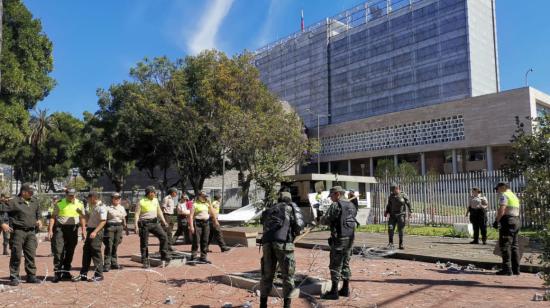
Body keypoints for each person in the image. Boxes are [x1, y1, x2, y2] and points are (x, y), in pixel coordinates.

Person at [259, 191, 305, 308]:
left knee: (267, 275)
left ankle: (263, 304)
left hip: (267, 244)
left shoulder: (270, 210)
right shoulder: (289, 208)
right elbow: (299, 227)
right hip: (283, 245)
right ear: (289, 199)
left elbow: (263, 224)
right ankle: (287, 305)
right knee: (288, 276)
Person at [320, 186, 358, 300]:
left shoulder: (336, 205)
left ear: (337, 194)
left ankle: (334, 292)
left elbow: (326, 220)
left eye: (331, 196)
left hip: (339, 239)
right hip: (350, 238)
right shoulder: (351, 205)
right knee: (345, 263)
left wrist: (320, 219)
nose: (331, 199)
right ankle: (345, 289)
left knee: (335, 264)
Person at [0, 183, 41, 285]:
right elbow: (1, 210)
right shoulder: (13, 202)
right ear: (23, 192)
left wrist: (39, 220)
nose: (32, 193)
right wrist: (2, 224)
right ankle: (14, 276)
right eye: (30, 191)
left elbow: (38, 213)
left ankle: (31, 276)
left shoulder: (34, 201)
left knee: (31, 254)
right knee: (16, 254)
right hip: (18, 231)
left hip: (31, 232)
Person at [49, 188, 86, 282]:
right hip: (60, 229)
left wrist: (83, 230)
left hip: (73, 229)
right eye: (70, 195)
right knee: (59, 251)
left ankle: (66, 271)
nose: (71, 196)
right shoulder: (60, 203)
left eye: (73, 195)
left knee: (70, 250)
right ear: (66, 194)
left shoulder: (80, 203)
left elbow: (82, 218)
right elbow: (53, 217)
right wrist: (50, 230)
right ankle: (57, 273)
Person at [134, 186, 170, 268]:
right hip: (144, 224)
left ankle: (164, 257)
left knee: (164, 236)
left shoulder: (155, 200)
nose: (154, 194)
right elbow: (136, 214)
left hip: (154, 223)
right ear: (149, 193)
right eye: (153, 192)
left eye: (154, 192)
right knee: (144, 243)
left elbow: (159, 211)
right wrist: (136, 225)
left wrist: (164, 221)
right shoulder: (141, 201)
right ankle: (145, 261)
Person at [74, 191, 107, 282]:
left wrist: (95, 232)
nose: (87, 199)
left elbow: (103, 221)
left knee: (95, 252)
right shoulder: (92, 206)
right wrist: (81, 213)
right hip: (90, 230)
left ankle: (99, 275)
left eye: (88, 198)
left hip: (96, 232)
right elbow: (89, 219)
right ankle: (83, 274)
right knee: (86, 252)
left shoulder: (101, 207)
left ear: (93, 197)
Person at [493, 182, 521, 276]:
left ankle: (507, 270)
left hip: (508, 221)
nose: (497, 191)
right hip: (516, 221)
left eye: (497, 189)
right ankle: (516, 269)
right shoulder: (514, 195)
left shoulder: (504, 195)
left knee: (505, 245)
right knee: (514, 246)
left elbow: (502, 209)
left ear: (503, 187)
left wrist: (497, 221)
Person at [189, 191, 219, 264]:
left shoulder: (206, 204)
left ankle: (203, 257)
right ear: (199, 196)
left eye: (206, 196)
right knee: (196, 240)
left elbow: (212, 213)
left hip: (206, 223)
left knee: (205, 240)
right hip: (197, 223)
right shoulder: (195, 204)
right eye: (204, 196)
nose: (205, 197)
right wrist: (191, 226)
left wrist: (215, 221)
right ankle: (194, 257)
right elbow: (191, 216)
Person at [103, 192, 127, 271]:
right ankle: (106, 264)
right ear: (112, 199)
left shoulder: (122, 208)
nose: (117, 199)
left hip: (119, 227)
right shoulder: (107, 208)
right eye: (115, 198)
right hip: (110, 227)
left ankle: (114, 263)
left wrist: (125, 228)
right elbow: (103, 219)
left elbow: (123, 218)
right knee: (109, 245)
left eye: (118, 198)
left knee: (115, 245)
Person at [384, 184, 412, 250]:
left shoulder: (403, 195)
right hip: (392, 215)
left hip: (401, 215)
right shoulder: (391, 196)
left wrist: (411, 211)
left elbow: (408, 203)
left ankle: (401, 244)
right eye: (392, 191)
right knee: (390, 228)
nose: (392, 192)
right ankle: (391, 243)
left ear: (397, 189)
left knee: (400, 230)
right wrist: (386, 211)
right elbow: (389, 205)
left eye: (393, 190)